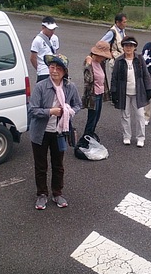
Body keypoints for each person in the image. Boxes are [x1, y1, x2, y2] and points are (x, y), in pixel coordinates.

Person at [29, 54, 81, 210]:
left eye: (58, 68)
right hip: (40, 132)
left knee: (58, 165)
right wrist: (50, 111)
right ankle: (42, 194)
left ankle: (57, 193)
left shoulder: (70, 87)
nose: (54, 71)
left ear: (64, 71)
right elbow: (32, 110)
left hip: (60, 131)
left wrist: (69, 111)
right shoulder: (41, 86)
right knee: (41, 165)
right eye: (52, 67)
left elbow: (78, 105)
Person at [110, 36, 151, 147]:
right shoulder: (119, 60)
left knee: (140, 116)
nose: (128, 48)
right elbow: (114, 77)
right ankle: (127, 136)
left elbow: (146, 75)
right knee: (125, 115)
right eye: (126, 46)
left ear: (135, 47)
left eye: (131, 46)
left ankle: (140, 137)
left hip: (138, 91)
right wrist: (113, 92)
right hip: (124, 92)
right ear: (123, 47)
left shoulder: (139, 59)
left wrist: (148, 89)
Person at [81, 40, 113, 140]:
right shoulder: (89, 62)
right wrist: (89, 65)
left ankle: (91, 134)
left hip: (100, 93)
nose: (104, 58)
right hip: (93, 95)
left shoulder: (100, 63)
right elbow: (88, 80)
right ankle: (86, 137)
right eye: (103, 56)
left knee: (96, 117)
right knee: (92, 118)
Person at [30, 16, 60, 82]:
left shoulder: (55, 38)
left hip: (54, 71)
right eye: (50, 29)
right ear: (43, 28)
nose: (52, 31)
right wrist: (39, 69)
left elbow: (55, 53)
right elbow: (33, 58)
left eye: (54, 29)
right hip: (43, 72)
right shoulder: (37, 40)